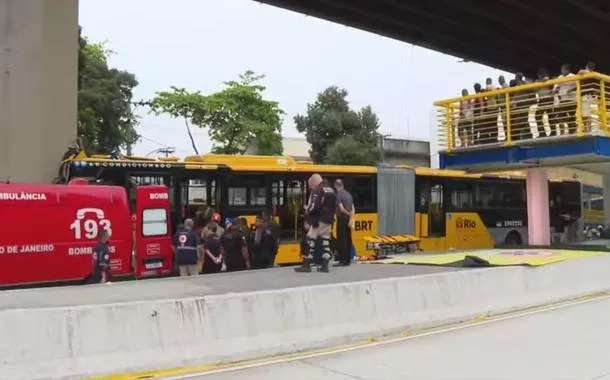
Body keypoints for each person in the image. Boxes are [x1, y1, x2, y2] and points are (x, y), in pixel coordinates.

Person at [295, 174, 337, 273]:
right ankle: (325, 264)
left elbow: (314, 206)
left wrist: (308, 214)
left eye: (311, 186)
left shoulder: (317, 190)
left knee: (310, 239)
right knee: (325, 240)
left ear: (314, 182)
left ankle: (306, 264)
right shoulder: (331, 190)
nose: (311, 188)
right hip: (329, 220)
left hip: (318, 220)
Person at [334, 179, 354, 266]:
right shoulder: (349, 194)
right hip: (348, 219)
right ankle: (348, 259)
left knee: (341, 239)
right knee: (348, 238)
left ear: (336, 186)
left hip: (342, 218)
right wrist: (351, 216)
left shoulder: (338, 195)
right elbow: (353, 208)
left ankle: (342, 260)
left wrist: (347, 213)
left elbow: (341, 209)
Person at [554, 64, 577, 135]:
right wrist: (555, 90)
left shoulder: (573, 76)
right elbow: (557, 86)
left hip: (572, 100)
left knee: (571, 116)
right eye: (561, 70)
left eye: (563, 70)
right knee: (560, 116)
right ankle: (562, 131)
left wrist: (570, 90)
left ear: (567, 70)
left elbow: (578, 85)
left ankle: (572, 131)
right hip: (563, 99)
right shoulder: (560, 77)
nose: (561, 71)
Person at [535, 68, 552, 138]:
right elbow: (535, 89)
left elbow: (546, 80)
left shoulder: (546, 79)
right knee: (538, 117)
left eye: (539, 75)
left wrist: (540, 81)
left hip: (548, 99)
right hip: (541, 100)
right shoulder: (537, 81)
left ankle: (553, 132)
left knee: (550, 117)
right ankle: (542, 133)